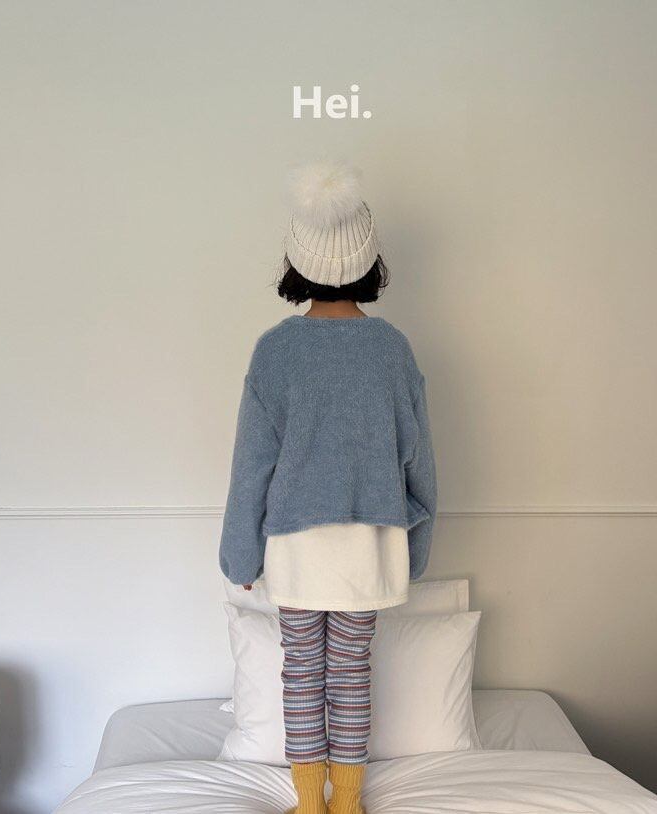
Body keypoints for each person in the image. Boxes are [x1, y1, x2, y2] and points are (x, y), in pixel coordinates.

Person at [218, 161, 437, 814]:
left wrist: (240, 557)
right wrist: (416, 549)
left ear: (296, 260)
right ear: (370, 261)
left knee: (303, 673)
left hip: (296, 544)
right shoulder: (392, 349)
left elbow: (252, 464)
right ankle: (348, 804)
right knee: (350, 674)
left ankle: (311, 804)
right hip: (371, 543)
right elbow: (418, 461)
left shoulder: (275, 351)